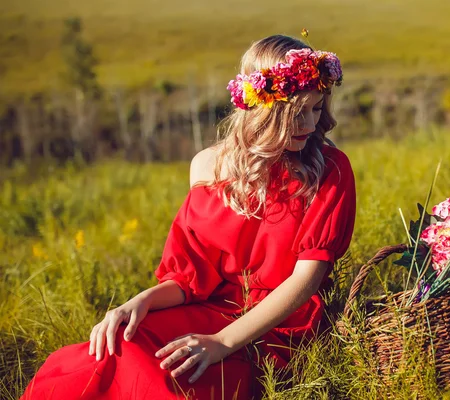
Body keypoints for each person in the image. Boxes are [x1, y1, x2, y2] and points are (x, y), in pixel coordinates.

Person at [20, 34, 356, 400]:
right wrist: (140, 302)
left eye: (317, 108)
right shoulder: (208, 165)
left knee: (159, 375)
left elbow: (306, 280)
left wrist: (221, 343)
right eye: (296, 113)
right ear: (262, 109)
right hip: (209, 309)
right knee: (121, 343)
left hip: (276, 329)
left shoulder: (329, 168)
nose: (309, 124)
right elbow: (190, 277)